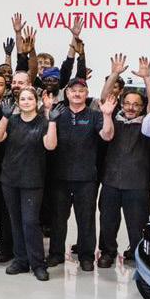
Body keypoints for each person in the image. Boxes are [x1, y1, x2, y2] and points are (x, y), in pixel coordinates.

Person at [45, 77, 115, 272]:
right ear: (67, 93)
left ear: (86, 94)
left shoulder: (94, 115)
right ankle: (56, 254)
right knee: (58, 219)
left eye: (81, 90)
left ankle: (86, 256)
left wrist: (107, 115)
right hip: (59, 177)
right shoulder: (58, 112)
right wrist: (47, 112)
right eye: (73, 90)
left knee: (86, 219)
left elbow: (107, 136)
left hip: (86, 178)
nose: (77, 93)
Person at [0, 87, 53, 281]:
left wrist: (52, 121)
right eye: (23, 99)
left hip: (32, 180)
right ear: (18, 102)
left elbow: (50, 145)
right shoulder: (12, 121)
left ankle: (38, 264)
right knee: (15, 221)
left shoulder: (43, 122)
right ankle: (21, 260)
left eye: (30, 99)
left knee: (30, 222)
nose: (26, 102)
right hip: (10, 178)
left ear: (36, 102)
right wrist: (5, 117)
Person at [97, 86, 150, 267]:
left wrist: (147, 78)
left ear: (142, 107)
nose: (130, 108)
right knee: (107, 221)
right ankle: (107, 252)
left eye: (136, 104)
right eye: (127, 103)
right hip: (111, 181)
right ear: (121, 104)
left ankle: (137, 253)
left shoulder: (148, 125)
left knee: (137, 223)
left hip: (137, 183)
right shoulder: (113, 121)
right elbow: (104, 98)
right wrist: (114, 74)